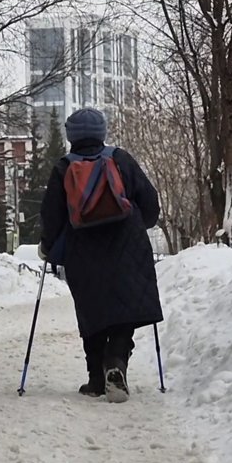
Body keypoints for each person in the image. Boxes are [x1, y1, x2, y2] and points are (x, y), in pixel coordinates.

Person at [38, 108, 163, 403]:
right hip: (127, 244)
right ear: (102, 132)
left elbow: (51, 215)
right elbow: (150, 202)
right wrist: (138, 225)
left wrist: (47, 247)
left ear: (71, 137)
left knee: (92, 310)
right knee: (125, 308)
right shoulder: (120, 158)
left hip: (83, 248)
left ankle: (96, 379)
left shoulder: (64, 167)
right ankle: (116, 362)